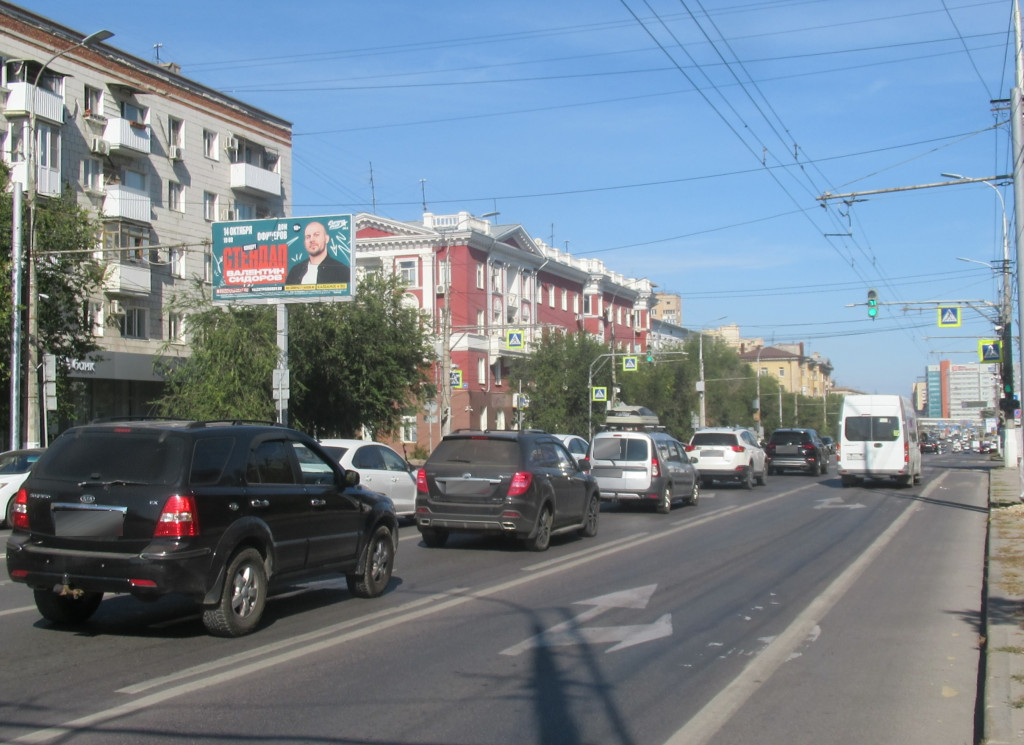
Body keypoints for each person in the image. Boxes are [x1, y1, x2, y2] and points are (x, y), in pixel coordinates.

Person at [285, 221, 350, 285]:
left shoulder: (341, 270)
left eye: (316, 235)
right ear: (304, 242)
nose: (312, 240)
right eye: (308, 237)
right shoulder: (295, 271)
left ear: (326, 239)